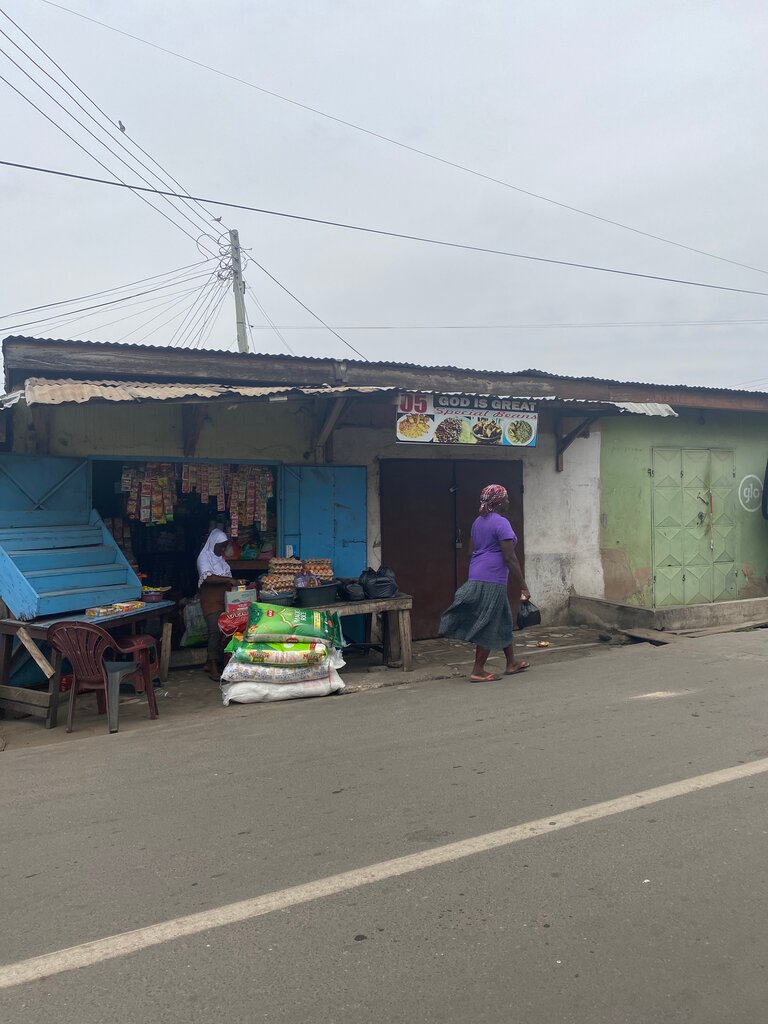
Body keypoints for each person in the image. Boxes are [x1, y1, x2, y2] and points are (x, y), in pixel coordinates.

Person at [439, 484, 531, 681]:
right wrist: (523, 585)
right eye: (506, 498)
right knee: (489, 623)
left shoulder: (477, 522)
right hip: (493, 579)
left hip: (479, 574)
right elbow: (510, 558)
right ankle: (478, 670)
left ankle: (511, 663)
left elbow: (472, 551)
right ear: (498, 502)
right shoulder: (501, 523)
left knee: (504, 619)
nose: (508, 501)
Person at [196, 528, 233, 680]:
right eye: (221, 546)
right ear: (212, 544)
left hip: (223, 599)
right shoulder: (203, 558)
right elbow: (208, 578)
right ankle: (213, 668)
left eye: (225, 546)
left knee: (225, 631)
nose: (223, 549)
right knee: (214, 631)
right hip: (210, 599)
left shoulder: (221, 559)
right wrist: (229, 580)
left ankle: (210, 662)